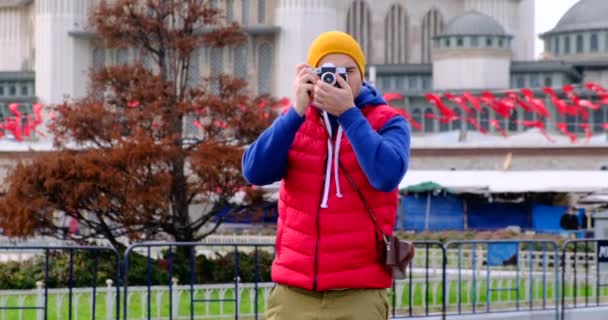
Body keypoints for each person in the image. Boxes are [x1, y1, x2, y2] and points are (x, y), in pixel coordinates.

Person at [242, 31, 411, 320]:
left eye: (347, 72)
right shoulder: (296, 121)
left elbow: (386, 176)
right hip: (294, 289)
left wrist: (349, 113)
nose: (337, 79)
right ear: (310, 74)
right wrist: (295, 111)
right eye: (327, 72)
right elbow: (254, 171)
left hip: (359, 289)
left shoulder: (388, 121)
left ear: (362, 74)